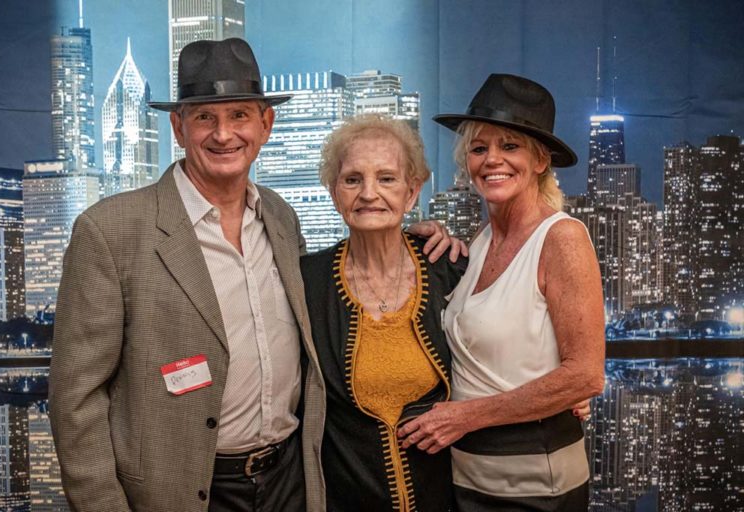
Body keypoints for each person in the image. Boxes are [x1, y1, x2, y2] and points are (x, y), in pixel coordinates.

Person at [49, 38, 458, 512]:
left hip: (289, 482)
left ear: (266, 124)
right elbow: (75, 399)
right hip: (181, 491)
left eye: (240, 115)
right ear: (178, 128)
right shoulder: (110, 230)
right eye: (205, 117)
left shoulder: (280, 218)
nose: (224, 134)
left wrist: (418, 236)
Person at [398, 74, 606, 511]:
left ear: (540, 160)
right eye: (479, 148)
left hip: (537, 483)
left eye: (509, 146)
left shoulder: (561, 237)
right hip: (468, 476)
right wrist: (409, 242)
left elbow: (585, 375)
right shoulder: (475, 243)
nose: (492, 159)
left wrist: (463, 416)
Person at [300, 114, 467, 511]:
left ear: (412, 193)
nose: (369, 193)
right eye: (352, 179)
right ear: (333, 191)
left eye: (387, 179)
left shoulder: (451, 269)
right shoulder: (304, 281)